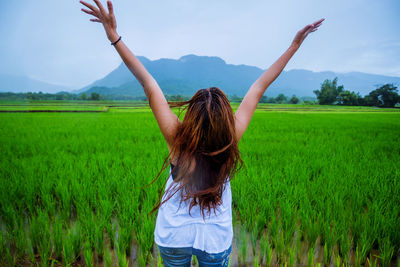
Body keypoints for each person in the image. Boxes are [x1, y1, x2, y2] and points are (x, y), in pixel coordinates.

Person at [80, 1, 324, 266]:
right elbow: (259, 86)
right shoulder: (231, 139)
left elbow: (147, 82)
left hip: (173, 236)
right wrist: (295, 45)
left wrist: (114, 36)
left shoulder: (177, 138)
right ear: (225, 120)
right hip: (214, 239)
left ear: (192, 116)